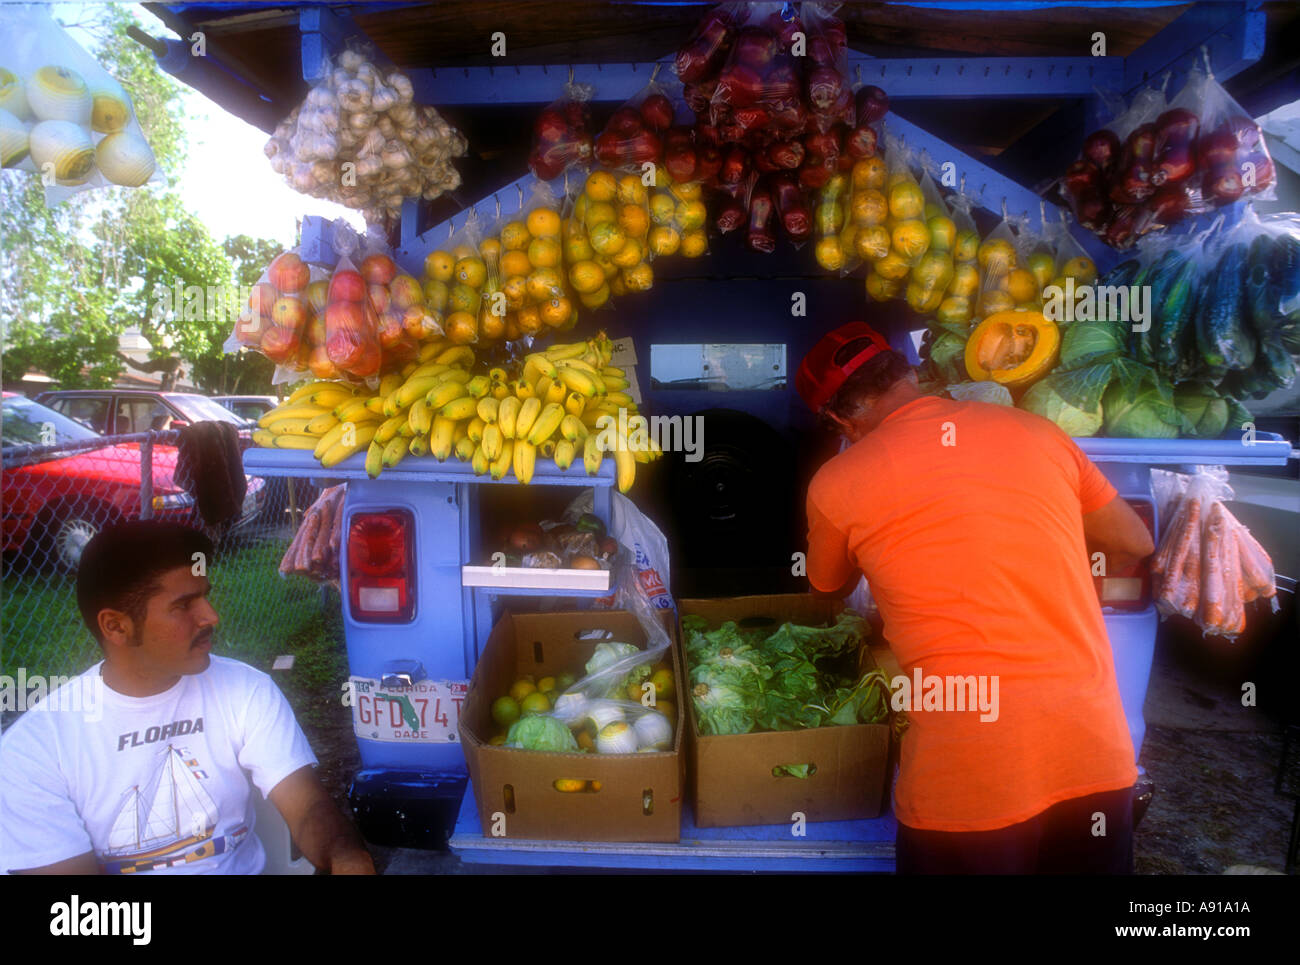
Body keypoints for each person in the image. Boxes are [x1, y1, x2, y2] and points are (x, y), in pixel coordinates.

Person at [797, 322, 1154, 875]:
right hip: (1092, 749)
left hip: (968, 774)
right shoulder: (1036, 432)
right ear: (910, 376)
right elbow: (1134, 540)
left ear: (840, 419)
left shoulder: (837, 482)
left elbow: (826, 587)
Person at [0, 520, 374, 875]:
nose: (211, 616)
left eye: (205, 597)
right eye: (183, 605)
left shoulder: (245, 690)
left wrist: (347, 855)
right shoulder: (36, 749)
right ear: (116, 626)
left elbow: (307, 806)